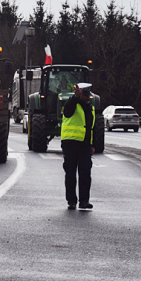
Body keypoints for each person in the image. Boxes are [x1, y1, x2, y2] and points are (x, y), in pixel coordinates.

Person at [61, 82, 96, 210]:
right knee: (70, 173)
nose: (87, 98)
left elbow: (91, 128)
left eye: (88, 96)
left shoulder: (89, 107)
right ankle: (71, 201)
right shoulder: (71, 104)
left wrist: (92, 145)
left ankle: (84, 201)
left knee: (85, 173)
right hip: (70, 143)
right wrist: (75, 97)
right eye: (85, 96)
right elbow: (68, 110)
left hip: (84, 145)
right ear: (80, 94)